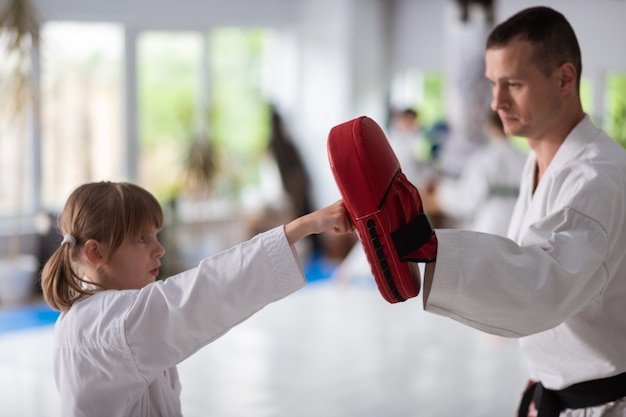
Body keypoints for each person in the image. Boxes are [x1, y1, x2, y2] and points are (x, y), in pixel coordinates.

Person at [390, 6, 626, 417]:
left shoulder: (595, 178)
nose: (497, 101)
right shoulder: (538, 163)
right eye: (493, 83)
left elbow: (540, 290)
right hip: (553, 390)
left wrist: (430, 248)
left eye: (513, 84)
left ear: (565, 79)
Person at [40, 181, 353, 417]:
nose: (158, 249)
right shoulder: (108, 325)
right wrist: (304, 226)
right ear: (96, 253)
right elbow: (203, 292)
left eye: (156, 236)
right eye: (141, 239)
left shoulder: (100, 317)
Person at [428, 110, 527, 235]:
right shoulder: (526, 158)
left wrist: (442, 191)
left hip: (491, 226)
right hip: (520, 224)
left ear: (490, 127)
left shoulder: (483, 159)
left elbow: (467, 200)